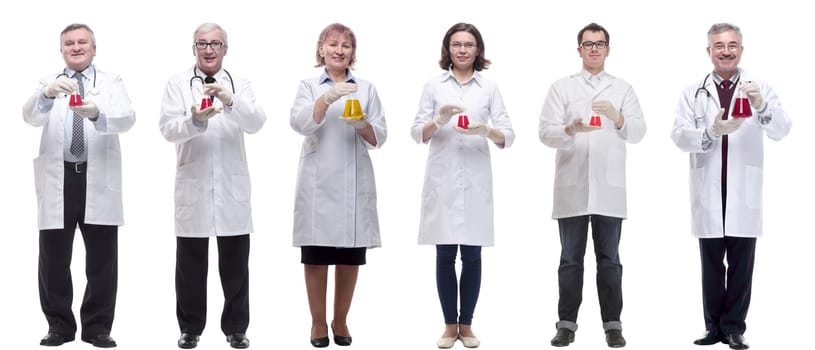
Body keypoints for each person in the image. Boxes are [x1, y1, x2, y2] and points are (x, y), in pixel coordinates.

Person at [671, 23, 791, 350]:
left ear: (741, 49)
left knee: (741, 264)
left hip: (743, 191)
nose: (726, 50)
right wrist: (711, 131)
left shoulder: (759, 87)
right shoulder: (692, 92)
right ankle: (714, 328)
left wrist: (762, 105)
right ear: (709, 51)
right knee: (711, 266)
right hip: (709, 189)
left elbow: (782, 130)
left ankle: (734, 328)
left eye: (732, 45)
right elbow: (679, 136)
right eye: (719, 45)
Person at [22, 23, 135, 348]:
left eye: (82, 42)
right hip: (60, 178)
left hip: (97, 177)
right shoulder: (49, 82)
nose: (76, 47)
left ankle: (97, 328)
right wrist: (45, 95)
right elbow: (30, 116)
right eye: (69, 43)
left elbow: (127, 118)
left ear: (94, 48)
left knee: (102, 259)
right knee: (54, 257)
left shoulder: (111, 81)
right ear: (62, 50)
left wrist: (98, 112)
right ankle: (59, 326)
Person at [539, 22, 646, 348]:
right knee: (570, 259)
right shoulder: (562, 88)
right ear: (579, 50)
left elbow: (639, 132)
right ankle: (566, 325)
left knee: (609, 260)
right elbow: (545, 132)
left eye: (600, 44)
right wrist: (568, 129)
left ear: (608, 49)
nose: (594, 49)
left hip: (609, 190)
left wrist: (619, 117)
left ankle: (613, 325)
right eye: (588, 44)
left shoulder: (623, 88)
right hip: (572, 187)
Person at [159, 22, 266, 349]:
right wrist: (195, 121)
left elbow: (257, 122)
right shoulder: (177, 84)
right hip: (194, 185)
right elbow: (167, 129)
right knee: (190, 264)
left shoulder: (240, 84)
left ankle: (236, 328)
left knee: (236, 264)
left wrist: (230, 101)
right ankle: (190, 328)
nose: (208, 49)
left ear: (225, 50)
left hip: (232, 190)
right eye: (202, 43)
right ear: (193, 48)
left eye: (215, 44)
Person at [411, 22, 514, 349]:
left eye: (469, 44)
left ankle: (466, 325)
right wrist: (438, 120)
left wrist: (486, 131)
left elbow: (508, 134)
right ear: (448, 49)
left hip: (475, 180)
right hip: (442, 181)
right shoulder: (433, 86)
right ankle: (448, 325)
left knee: (471, 255)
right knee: (444, 254)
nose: (462, 49)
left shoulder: (489, 89)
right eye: (456, 44)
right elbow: (416, 132)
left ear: (478, 50)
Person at [289, 23, 386, 348]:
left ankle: (340, 319)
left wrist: (362, 124)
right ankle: (317, 322)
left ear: (353, 53)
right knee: (315, 255)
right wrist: (326, 98)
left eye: (346, 45)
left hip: (353, 183)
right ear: (321, 49)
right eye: (332, 44)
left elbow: (379, 138)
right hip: (318, 184)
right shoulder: (308, 85)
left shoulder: (367, 88)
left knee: (349, 256)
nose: (339, 50)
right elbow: (300, 123)